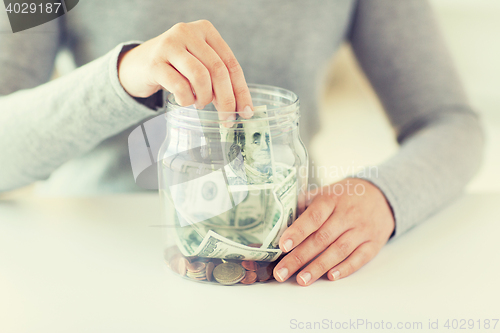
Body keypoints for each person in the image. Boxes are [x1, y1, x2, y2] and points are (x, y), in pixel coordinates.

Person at [0, 0, 483, 286]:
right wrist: (123, 76)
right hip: (88, 261)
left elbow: (452, 122)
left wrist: (384, 198)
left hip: (282, 259)